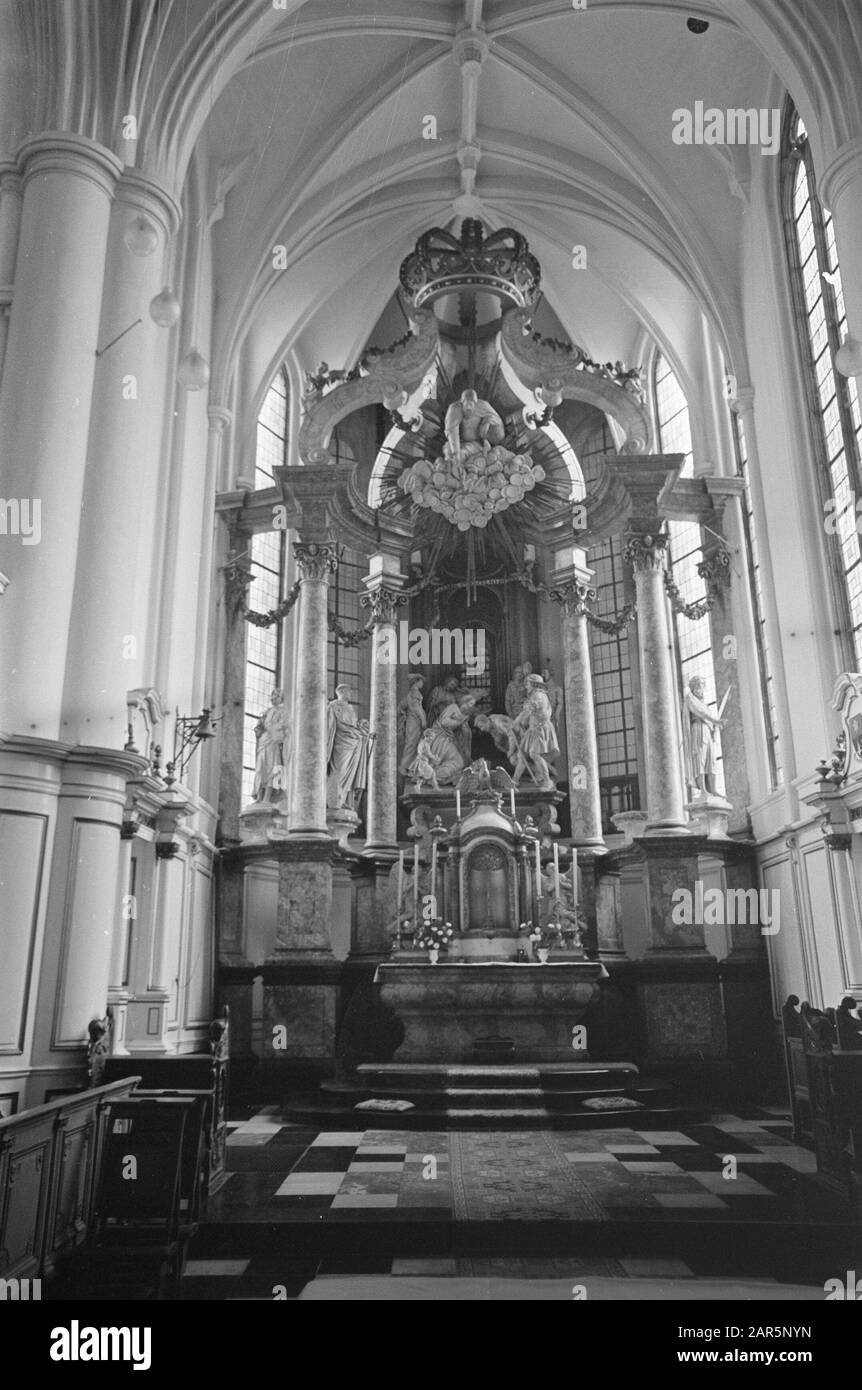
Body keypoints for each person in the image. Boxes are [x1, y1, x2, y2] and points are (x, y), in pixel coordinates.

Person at [326, 683, 371, 810]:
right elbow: (334, 725)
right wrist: (355, 733)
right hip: (341, 744)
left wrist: (362, 731)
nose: (351, 694)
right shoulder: (334, 706)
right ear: (342, 692)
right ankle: (333, 801)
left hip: (353, 743)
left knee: (348, 774)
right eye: (349, 691)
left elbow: (353, 726)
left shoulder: (350, 708)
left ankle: (342, 799)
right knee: (339, 770)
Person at [511, 673, 559, 788]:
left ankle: (547, 781)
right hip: (533, 729)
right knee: (522, 755)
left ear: (533, 684)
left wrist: (516, 722)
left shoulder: (538, 696)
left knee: (534, 754)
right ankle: (514, 781)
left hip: (540, 729)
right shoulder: (534, 696)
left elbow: (527, 712)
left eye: (527, 683)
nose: (526, 686)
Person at [682, 675, 724, 796]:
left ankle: (714, 789)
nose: (701, 689)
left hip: (706, 731)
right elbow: (700, 713)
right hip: (698, 730)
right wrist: (716, 721)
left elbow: (707, 718)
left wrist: (713, 728)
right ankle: (703, 790)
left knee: (711, 760)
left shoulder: (705, 705)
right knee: (700, 759)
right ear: (693, 687)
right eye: (698, 686)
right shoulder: (690, 699)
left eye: (702, 686)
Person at [425, 693, 478, 785]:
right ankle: (434, 776)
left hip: (448, 739)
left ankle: (438, 776)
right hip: (440, 738)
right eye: (470, 703)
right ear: (464, 702)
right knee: (458, 762)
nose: (470, 706)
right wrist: (459, 721)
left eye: (472, 705)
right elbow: (444, 722)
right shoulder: (453, 707)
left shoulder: (463, 714)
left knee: (458, 762)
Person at [251, 687, 292, 804]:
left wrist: (273, 729)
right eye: (272, 696)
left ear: (281, 699)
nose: (273, 698)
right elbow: (261, 726)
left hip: (273, 742)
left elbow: (285, 726)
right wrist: (258, 729)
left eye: (277, 696)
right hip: (263, 742)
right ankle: (259, 796)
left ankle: (267, 798)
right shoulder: (267, 712)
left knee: (271, 769)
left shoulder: (284, 712)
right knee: (260, 769)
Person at [397, 674, 426, 778]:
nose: (422, 683)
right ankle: (404, 766)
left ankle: (410, 767)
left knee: (414, 744)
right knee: (412, 744)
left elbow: (402, 705)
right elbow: (417, 708)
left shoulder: (412, 693)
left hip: (413, 721)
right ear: (416, 682)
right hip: (414, 722)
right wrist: (423, 720)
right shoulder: (415, 693)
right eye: (421, 681)